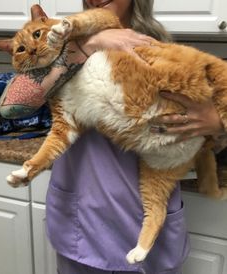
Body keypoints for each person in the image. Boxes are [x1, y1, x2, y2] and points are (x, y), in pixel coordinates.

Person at [45, 1, 225, 274]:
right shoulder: (63, 46)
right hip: (84, 227)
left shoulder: (161, 46)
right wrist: (89, 45)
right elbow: (13, 104)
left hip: (151, 225)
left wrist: (218, 123)